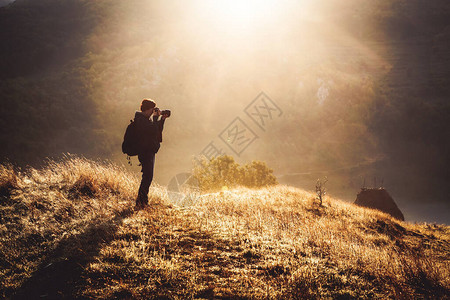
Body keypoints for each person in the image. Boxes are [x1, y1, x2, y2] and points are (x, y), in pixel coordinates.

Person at [134, 99, 169, 209]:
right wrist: (155, 118)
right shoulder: (140, 120)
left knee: (148, 176)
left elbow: (157, 131)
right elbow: (151, 131)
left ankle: (142, 201)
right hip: (145, 151)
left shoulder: (146, 119)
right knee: (147, 176)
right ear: (147, 109)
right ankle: (141, 202)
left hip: (149, 150)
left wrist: (162, 119)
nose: (153, 112)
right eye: (152, 109)